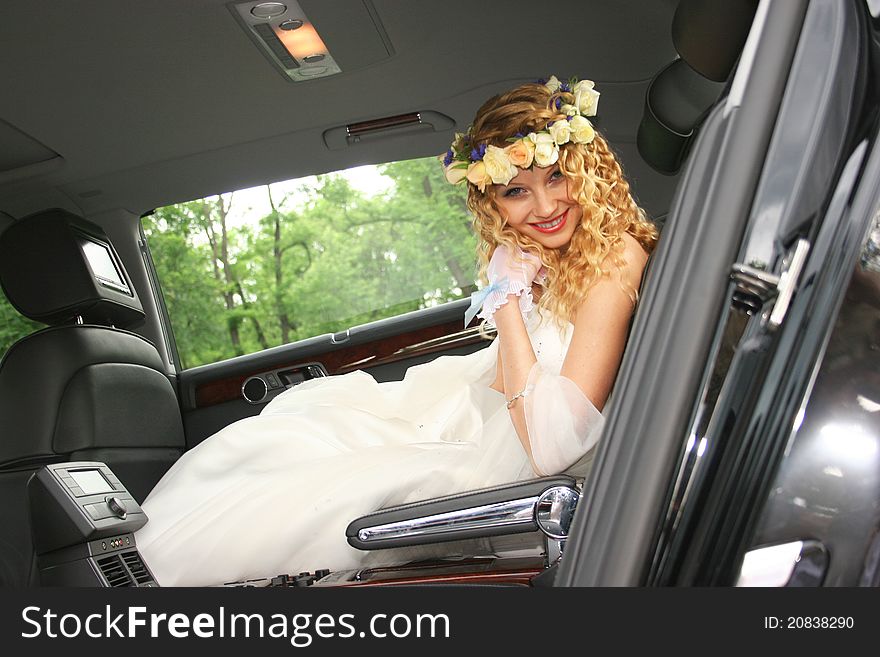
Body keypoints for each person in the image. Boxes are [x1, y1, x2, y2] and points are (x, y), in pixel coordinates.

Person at [135, 75, 658, 586]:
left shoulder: (614, 258)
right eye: (517, 190)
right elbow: (510, 383)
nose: (544, 207)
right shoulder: (552, 261)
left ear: (586, 171)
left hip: (528, 457)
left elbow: (551, 448)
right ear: (493, 205)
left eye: (557, 177)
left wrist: (506, 300)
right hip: (491, 425)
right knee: (284, 437)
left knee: (307, 493)